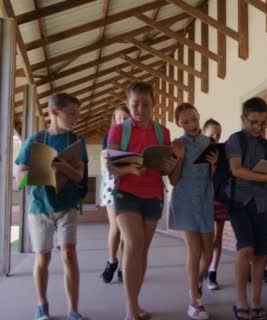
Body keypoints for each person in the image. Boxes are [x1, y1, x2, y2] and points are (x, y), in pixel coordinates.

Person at [107, 82, 178, 320]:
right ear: (128, 104)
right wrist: (131, 169)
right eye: (135, 104)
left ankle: (136, 303)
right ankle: (130, 309)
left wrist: (169, 166)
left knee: (142, 251)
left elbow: (165, 168)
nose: (140, 109)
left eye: (145, 104)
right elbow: (111, 166)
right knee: (134, 245)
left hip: (153, 194)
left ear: (154, 104)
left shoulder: (162, 132)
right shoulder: (119, 130)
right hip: (126, 193)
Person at [15, 93, 88, 320]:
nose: (76, 118)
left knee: (68, 253)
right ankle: (41, 305)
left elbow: (78, 176)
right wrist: (43, 169)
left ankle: (73, 310)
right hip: (39, 206)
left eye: (78, 114)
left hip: (68, 205)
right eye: (71, 113)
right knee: (43, 257)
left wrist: (61, 166)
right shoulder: (35, 140)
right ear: (54, 113)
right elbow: (20, 177)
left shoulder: (76, 142)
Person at [226, 97, 267, 320]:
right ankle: (241, 300)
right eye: (254, 122)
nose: (259, 127)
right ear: (243, 119)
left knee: (261, 254)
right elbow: (236, 170)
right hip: (240, 202)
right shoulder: (235, 140)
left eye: (263, 123)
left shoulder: (266, 145)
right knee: (245, 250)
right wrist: (264, 177)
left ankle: (257, 301)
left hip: (263, 202)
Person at [168, 103, 219, 319]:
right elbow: (172, 179)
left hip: (205, 198)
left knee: (208, 252)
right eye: (185, 121)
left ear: (199, 117)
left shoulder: (208, 142)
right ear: (179, 123)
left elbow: (211, 176)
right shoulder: (177, 144)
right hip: (184, 198)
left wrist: (215, 165)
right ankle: (194, 302)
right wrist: (178, 158)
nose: (191, 124)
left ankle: (196, 282)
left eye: (194, 119)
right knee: (195, 249)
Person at [100, 105, 130, 283]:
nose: (123, 120)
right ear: (114, 119)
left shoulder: (133, 137)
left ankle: (123, 266)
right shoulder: (109, 136)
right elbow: (107, 160)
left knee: (127, 230)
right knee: (116, 228)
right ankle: (112, 261)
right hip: (112, 184)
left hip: (130, 183)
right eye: (119, 117)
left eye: (126, 117)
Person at [202, 118, 228, 291]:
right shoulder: (199, 152)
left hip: (219, 197)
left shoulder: (223, 152)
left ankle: (213, 272)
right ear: (204, 135)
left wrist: (218, 163)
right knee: (206, 237)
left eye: (218, 135)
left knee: (218, 236)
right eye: (212, 135)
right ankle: (202, 267)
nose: (215, 138)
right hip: (204, 199)